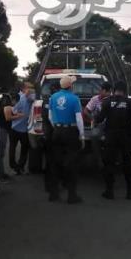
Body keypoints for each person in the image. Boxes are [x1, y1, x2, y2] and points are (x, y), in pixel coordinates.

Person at [96, 80, 131, 199]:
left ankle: (109, 191)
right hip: (126, 136)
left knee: (109, 163)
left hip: (111, 136)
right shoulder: (130, 102)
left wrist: (94, 121)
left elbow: (100, 118)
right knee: (127, 163)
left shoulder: (107, 102)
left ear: (113, 90)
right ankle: (130, 192)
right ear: (125, 90)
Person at [47, 75, 84, 204]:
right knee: (71, 164)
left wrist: (57, 127)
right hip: (70, 132)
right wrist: (82, 135)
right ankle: (72, 196)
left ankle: (54, 194)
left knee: (55, 163)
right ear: (70, 86)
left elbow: (50, 116)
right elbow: (79, 119)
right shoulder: (74, 99)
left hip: (57, 131)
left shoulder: (53, 97)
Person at [9, 81, 35, 175]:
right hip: (19, 128)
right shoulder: (22, 97)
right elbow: (14, 110)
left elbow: (34, 99)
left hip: (19, 128)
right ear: (24, 88)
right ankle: (17, 166)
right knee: (18, 149)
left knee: (19, 148)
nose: (32, 90)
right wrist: (27, 94)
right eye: (29, 88)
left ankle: (17, 166)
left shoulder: (25, 97)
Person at [42, 81, 61, 193]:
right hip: (56, 134)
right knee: (58, 161)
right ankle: (56, 185)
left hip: (47, 135)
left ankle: (48, 186)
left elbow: (45, 117)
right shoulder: (57, 101)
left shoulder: (46, 101)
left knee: (49, 162)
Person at [0, 93, 13, 183]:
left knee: (0, 154)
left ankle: (1, 173)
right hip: (2, 132)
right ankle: (0, 176)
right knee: (0, 154)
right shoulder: (6, 107)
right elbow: (8, 118)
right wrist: (19, 115)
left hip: (0, 130)